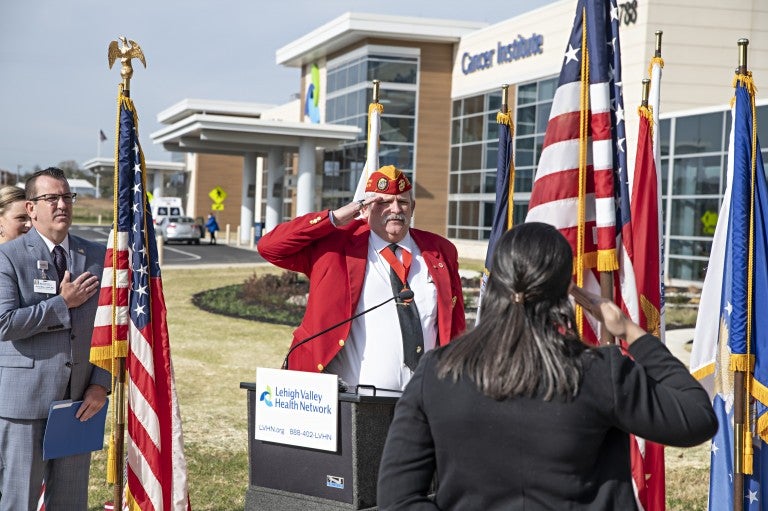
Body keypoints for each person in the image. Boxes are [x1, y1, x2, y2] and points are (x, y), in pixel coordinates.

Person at [377, 222, 718, 510]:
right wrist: (630, 332)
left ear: (495, 282)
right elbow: (697, 417)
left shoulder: (437, 372)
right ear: (564, 291)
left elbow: (398, 498)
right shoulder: (600, 372)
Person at [257, 165, 465, 392]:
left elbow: (454, 322)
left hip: (423, 397)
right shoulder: (335, 246)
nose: (395, 209)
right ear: (365, 209)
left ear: (412, 208)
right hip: (354, 399)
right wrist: (335, 217)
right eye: (383, 202)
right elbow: (270, 247)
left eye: (403, 202)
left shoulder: (440, 251)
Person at [0, 167, 110, 510]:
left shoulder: (97, 257)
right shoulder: (9, 256)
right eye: (51, 198)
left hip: (78, 405)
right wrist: (62, 304)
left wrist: (101, 384)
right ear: (31, 208)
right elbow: (4, 323)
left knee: (70, 503)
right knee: (20, 502)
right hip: (25, 405)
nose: (61, 204)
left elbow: (109, 329)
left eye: (67, 197)